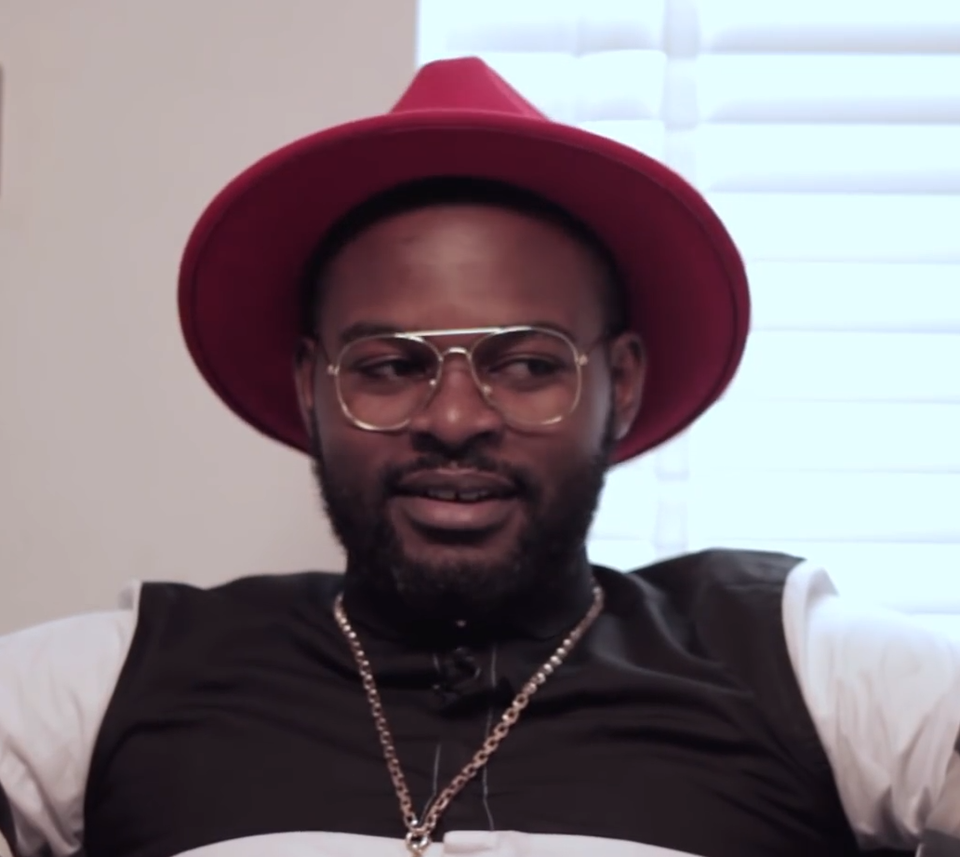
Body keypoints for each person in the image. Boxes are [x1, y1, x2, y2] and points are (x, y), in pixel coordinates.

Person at [0, 57, 957, 857]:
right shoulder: (121, 677)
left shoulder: (797, 666)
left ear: (620, 381)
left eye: (528, 363)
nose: (454, 417)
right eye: (388, 366)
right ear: (309, 384)